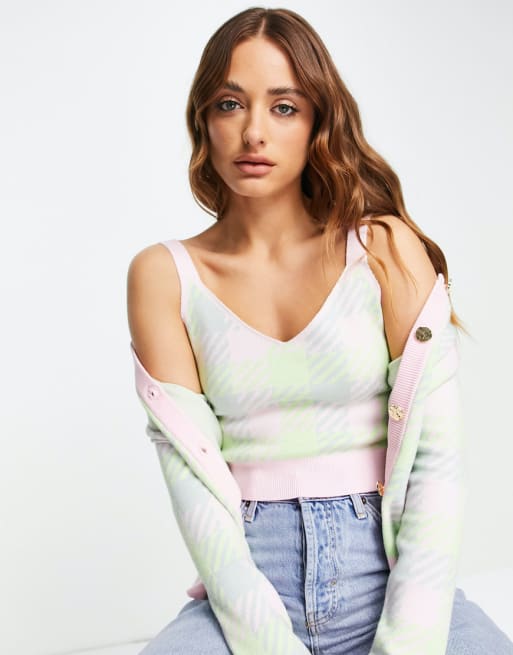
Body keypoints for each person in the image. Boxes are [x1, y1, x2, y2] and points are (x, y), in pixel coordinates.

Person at [126, 7, 513, 655]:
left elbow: (438, 462)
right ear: (203, 120)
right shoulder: (164, 275)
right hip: (247, 588)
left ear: (317, 122)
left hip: (393, 578)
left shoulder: (384, 249)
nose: (253, 131)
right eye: (229, 104)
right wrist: (265, 641)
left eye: (284, 107)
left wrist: (408, 641)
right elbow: (190, 482)